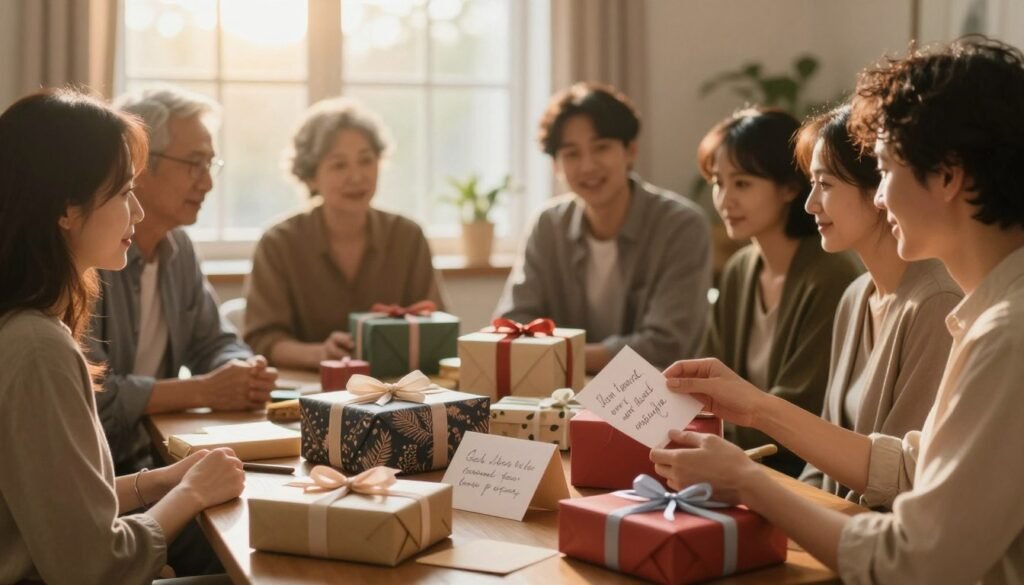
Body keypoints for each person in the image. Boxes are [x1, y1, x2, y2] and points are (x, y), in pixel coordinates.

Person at [653, 36, 1024, 583]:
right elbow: (906, 467)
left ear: (948, 176)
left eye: (886, 170)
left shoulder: (1005, 333)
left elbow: (916, 560)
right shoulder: (986, 314)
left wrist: (751, 482)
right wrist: (754, 407)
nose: (878, 197)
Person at [0, 88, 244, 585]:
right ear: (67, 209)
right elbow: (94, 566)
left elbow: (60, 500)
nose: (135, 212)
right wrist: (191, 493)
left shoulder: (26, 326)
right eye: (122, 192)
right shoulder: (38, 347)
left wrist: (162, 480)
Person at [86, 86, 277, 475]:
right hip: (100, 472)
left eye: (210, 165)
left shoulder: (179, 249)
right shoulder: (89, 256)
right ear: (138, 163)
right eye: (194, 164)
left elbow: (214, 341)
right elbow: (92, 399)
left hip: (154, 460)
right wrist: (205, 390)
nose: (207, 183)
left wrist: (243, 372)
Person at [793, 104, 962, 502]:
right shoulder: (855, 295)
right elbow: (819, 464)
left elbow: (903, 481)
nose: (810, 204)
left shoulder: (936, 302)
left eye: (827, 185)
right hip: (833, 532)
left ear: (879, 190)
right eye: (812, 185)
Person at [496, 82, 712, 373]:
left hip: (653, 400)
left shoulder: (681, 226)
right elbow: (512, 325)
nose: (587, 166)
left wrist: (560, 356)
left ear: (630, 151)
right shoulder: (548, 225)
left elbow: (667, 345)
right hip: (558, 396)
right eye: (571, 154)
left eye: (601, 148)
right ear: (556, 166)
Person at [696, 107, 863, 476]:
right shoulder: (740, 268)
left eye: (742, 183)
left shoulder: (831, 273)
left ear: (789, 187)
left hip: (796, 470)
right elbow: (710, 373)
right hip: (733, 456)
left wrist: (700, 428)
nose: (725, 200)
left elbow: (802, 407)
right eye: (717, 183)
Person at [245, 97, 446, 370]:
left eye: (366, 160)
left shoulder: (407, 236)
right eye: (339, 165)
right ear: (311, 176)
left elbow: (435, 324)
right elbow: (262, 339)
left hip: (395, 392)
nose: (356, 177)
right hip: (310, 392)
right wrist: (320, 353)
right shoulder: (278, 243)